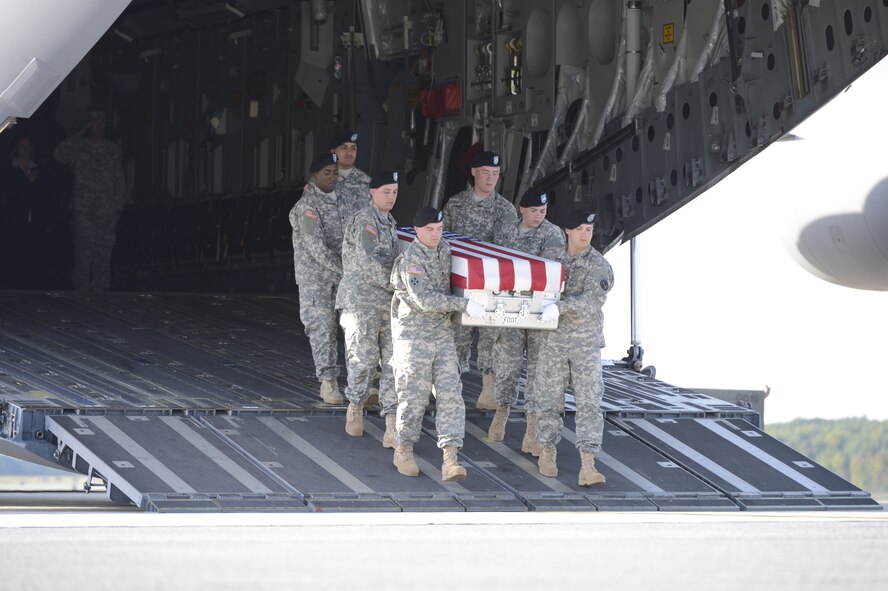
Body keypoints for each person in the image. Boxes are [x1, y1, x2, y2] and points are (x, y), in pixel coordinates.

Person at [389, 207, 486, 480]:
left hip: (442, 335)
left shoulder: (445, 249)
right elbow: (426, 300)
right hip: (415, 336)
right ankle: (403, 449)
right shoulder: (411, 261)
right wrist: (465, 305)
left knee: (451, 395)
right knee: (413, 397)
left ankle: (450, 458)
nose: (435, 234)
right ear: (417, 231)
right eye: (429, 229)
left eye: (439, 229)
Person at [532, 208, 613, 486]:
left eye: (589, 230)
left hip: (584, 345)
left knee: (589, 402)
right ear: (567, 230)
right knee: (549, 401)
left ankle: (588, 465)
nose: (585, 234)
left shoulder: (599, 264)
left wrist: (560, 307)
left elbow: (593, 300)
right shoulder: (551, 259)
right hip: (552, 343)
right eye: (579, 229)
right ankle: (547, 451)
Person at [485, 187, 566, 454]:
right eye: (534, 211)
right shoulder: (507, 230)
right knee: (507, 365)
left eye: (543, 211)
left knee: (536, 371)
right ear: (522, 210)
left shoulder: (552, 234)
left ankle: (531, 431)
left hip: (538, 311)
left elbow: (549, 272)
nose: (539, 216)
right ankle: (503, 412)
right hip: (510, 309)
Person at [442, 150, 518, 408]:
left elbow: (505, 251)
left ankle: (488, 392)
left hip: (490, 287)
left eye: (495, 174)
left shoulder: (505, 210)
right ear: (474, 172)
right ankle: (450, 392)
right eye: (485, 173)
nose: (490, 179)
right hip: (461, 287)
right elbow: (444, 243)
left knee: (490, 339)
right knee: (457, 339)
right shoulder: (455, 204)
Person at [288, 152, 360, 405]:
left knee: (355, 328)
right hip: (317, 281)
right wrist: (349, 271)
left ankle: (361, 380)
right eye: (326, 173)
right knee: (323, 329)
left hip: (346, 279)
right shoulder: (306, 208)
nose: (331, 177)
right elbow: (316, 247)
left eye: (334, 172)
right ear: (314, 176)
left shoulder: (347, 200)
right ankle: (328, 382)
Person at [336, 170, 401, 445]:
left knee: (393, 362)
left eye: (395, 192)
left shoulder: (389, 222)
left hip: (386, 305)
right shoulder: (366, 221)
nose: (391, 196)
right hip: (361, 304)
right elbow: (369, 260)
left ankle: (390, 422)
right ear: (372, 192)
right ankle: (356, 407)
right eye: (386, 191)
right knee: (361, 359)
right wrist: (400, 284)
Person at [53, 111, 127, 291]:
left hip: (106, 212)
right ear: (89, 125)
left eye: (102, 122)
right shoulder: (79, 147)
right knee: (83, 258)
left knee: (103, 258)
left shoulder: (112, 149)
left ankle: (101, 299)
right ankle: (81, 299)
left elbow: (120, 180)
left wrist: (117, 207)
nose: (99, 126)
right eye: (95, 122)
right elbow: (58, 155)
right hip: (83, 213)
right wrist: (78, 134)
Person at [330, 131, 371, 211]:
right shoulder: (321, 180)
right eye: (344, 148)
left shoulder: (366, 181)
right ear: (333, 151)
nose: (349, 152)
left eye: (353, 148)